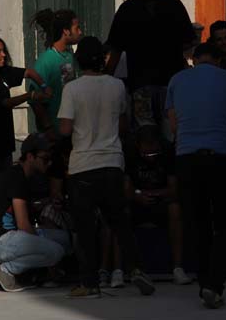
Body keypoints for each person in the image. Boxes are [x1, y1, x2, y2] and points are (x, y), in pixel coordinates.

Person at [59, 36, 155, 298]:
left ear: (78, 60)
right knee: (120, 222)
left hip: (82, 167)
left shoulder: (72, 89)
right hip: (112, 163)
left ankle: (89, 282)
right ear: (102, 59)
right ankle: (136, 269)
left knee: (86, 228)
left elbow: (65, 129)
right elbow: (124, 126)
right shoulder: (116, 87)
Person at [165, 42, 226, 309]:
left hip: (187, 159)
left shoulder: (176, 81)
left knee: (196, 224)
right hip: (221, 157)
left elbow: (174, 125)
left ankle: (204, 282)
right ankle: (214, 284)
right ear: (218, 61)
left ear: (194, 60)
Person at [105, 0, 194, 140]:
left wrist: (105, 81)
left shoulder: (127, 9)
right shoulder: (173, 5)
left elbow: (114, 50)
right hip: (171, 84)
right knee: (173, 136)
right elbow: (188, 42)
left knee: (146, 138)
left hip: (140, 86)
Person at [0, 134, 69, 292]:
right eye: (45, 159)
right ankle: (7, 270)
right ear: (30, 157)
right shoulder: (16, 178)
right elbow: (24, 225)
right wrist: (49, 257)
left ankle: (38, 272)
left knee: (65, 239)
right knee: (56, 251)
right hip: (1, 243)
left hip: (7, 239)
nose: (49, 163)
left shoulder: (19, 175)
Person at [0, 36, 52, 188]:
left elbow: (29, 72)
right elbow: (5, 103)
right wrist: (30, 95)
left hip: (4, 141)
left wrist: (44, 86)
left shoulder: (4, 72)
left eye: (4, 51)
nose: (3, 55)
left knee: (6, 184)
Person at [124, 125, 192, 285]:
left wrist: (156, 193)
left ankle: (178, 268)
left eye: (153, 151)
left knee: (175, 209)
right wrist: (138, 195)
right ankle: (126, 270)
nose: (149, 156)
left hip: (161, 199)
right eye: (145, 152)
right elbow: (126, 189)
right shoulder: (130, 152)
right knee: (122, 211)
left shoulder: (168, 151)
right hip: (138, 200)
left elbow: (174, 188)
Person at [29, 9, 82, 136]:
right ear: (65, 31)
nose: (80, 32)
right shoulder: (46, 60)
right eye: (77, 28)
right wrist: (49, 129)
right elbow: (34, 99)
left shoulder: (70, 57)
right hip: (55, 134)